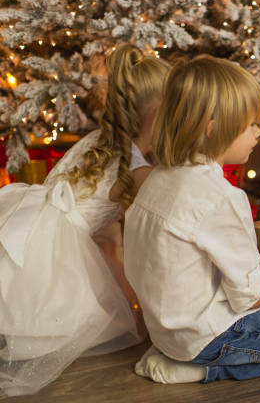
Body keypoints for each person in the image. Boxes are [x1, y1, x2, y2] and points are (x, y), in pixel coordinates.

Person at [123, 55, 260, 385]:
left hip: (167, 332)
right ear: (214, 129)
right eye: (250, 126)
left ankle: (176, 354)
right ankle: (206, 369)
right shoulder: (220, 196)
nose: (258, 133)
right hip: (206, 337)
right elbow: (251, 296)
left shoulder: (158, 179)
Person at [0, 44, 170, 396]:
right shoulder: (138, 170)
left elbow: (107, 237)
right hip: (53, 241)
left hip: (30, 216)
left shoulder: (96, 140)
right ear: (160, 112)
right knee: (50, 314)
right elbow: (134, 240)